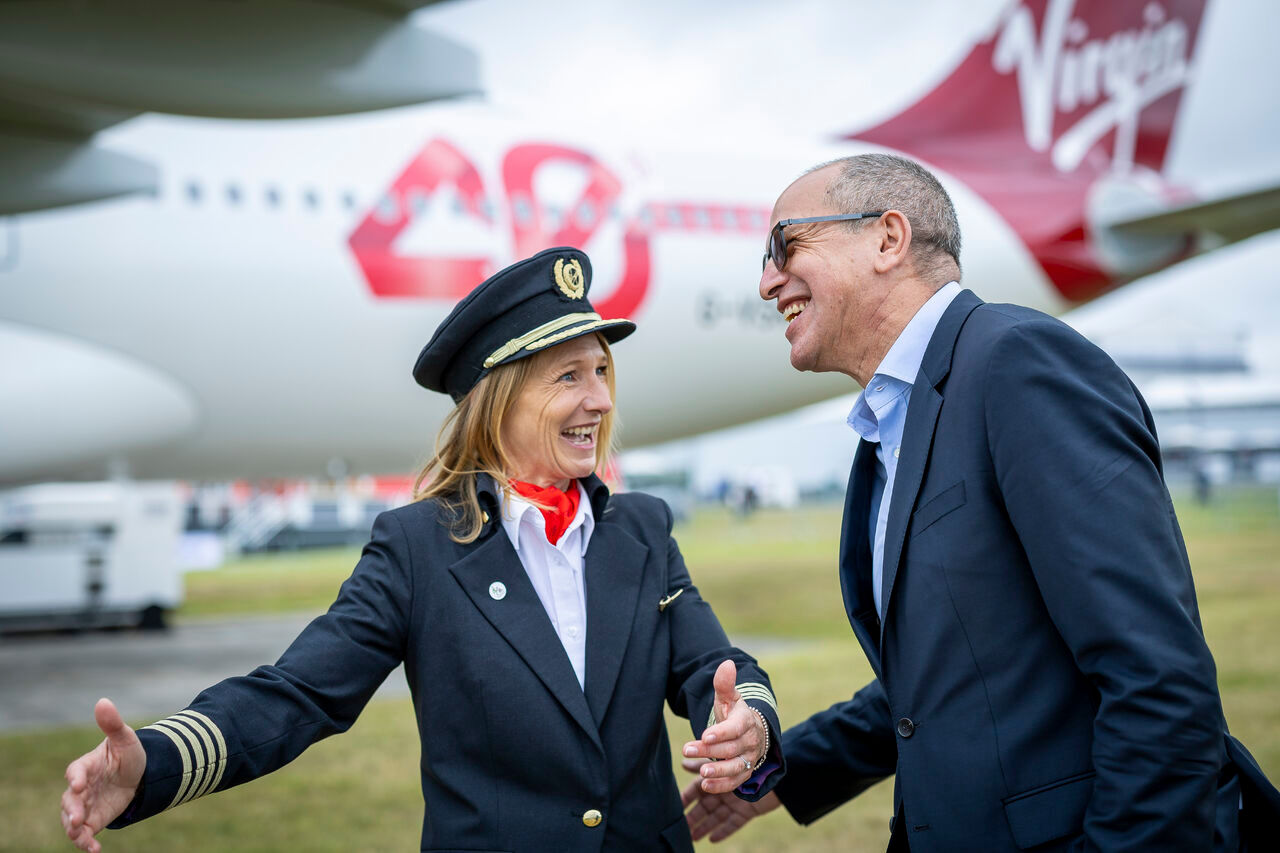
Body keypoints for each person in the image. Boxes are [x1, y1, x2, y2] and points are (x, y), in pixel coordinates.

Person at [60, 247, 784, 853]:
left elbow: (715, 669)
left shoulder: (644, 528)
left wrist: (747, 724)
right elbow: (300, 693)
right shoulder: (416, 548)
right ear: (497, 400)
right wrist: (155, 761)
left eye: (601, 371)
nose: (598, 399)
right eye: (568, 376)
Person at [680, 154, 1279, 850]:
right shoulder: (894, 423)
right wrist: (787, 775)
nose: (765, 282)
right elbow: (954, 675)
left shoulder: (1020, 365)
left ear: (887, 239)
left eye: (785, 246)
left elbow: (1157, 676)